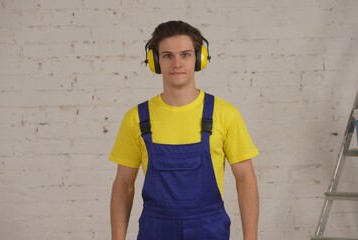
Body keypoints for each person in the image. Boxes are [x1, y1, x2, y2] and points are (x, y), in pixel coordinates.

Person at [109, 20, 259, 240]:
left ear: (199, 59)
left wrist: (251, 238)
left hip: (209, 229)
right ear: (155, 62)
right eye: (168, 55)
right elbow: (123, 185)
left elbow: (245, 178)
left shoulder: (225, 114)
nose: (177, 63)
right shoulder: (137, 119)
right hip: (156, 230)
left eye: (186, 55)